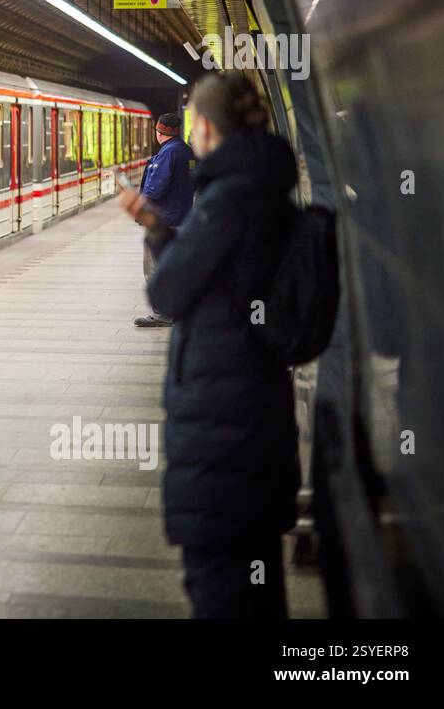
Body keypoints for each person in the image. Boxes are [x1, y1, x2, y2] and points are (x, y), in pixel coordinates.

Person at [118, 72, 300, 618]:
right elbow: (215, 276)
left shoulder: (229, 198)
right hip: (255, 414)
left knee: (221, 587)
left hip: (225, 428)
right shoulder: (265, 191)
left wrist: (154, 230)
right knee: (253, 583)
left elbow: (168, 288)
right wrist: (159, 225)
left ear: (203, 126)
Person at [132, 113, 195, 327]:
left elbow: (155, 189)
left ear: (160, 132)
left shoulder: (168, 153)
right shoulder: (186, 151)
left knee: (156, 266)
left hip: (164, 218)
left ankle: (163, 313)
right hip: (182, 216)